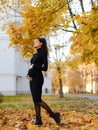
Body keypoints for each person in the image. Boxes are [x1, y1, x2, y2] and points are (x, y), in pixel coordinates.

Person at [26, 38, 60, 125]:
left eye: (36, 41)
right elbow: (31, 67)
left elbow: (45, 68)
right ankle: (38, 120)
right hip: (32, 78)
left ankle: (53, 115)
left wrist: (34, 67)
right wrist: (28, 75)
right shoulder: (35, 55)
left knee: (38, 100)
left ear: (41, 43)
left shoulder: (43, 54)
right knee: (35, 100)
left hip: (38, 78)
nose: (35, 42)